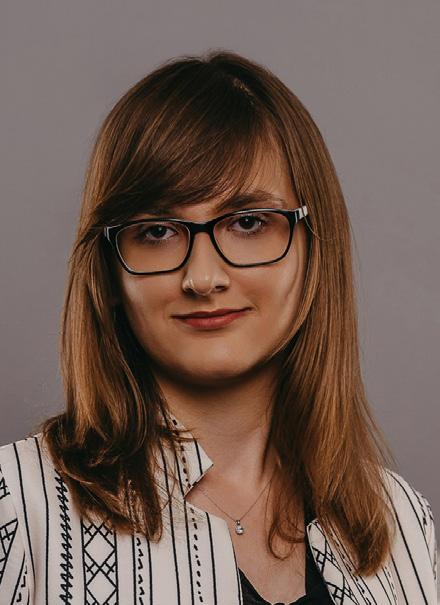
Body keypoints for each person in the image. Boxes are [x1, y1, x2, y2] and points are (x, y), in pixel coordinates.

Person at [0, 49, 437, 605]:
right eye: (157, 231)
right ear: (108, 271)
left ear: (315, 250)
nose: (203, 278)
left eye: (249, 222)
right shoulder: (15, 507)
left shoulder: (401, 522)